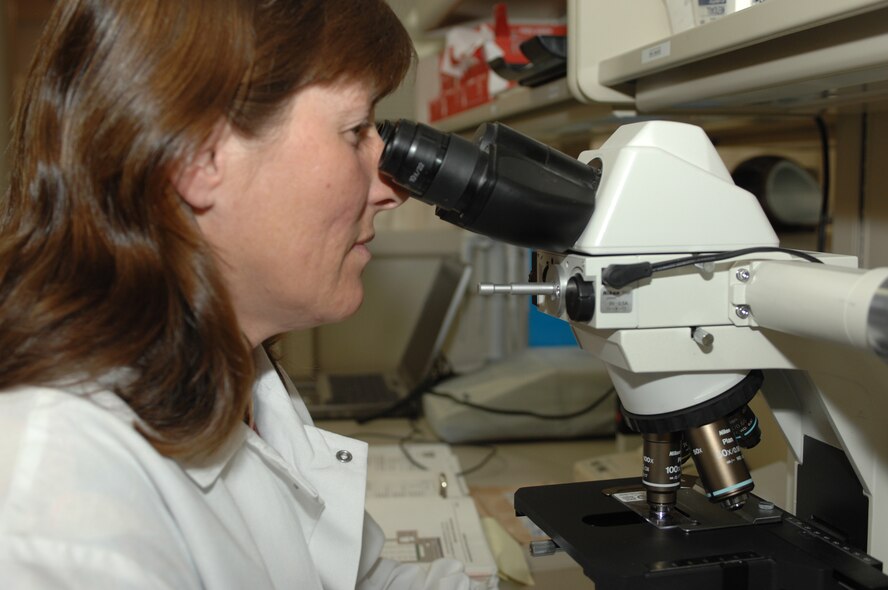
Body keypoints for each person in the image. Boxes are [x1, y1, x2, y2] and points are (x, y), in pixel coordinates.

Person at [0, 1, 485, 588]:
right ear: (197, 157)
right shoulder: (63, 513)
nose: (394, 189)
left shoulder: (235, 366)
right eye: (356, 130)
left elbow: (346, 579)